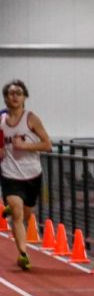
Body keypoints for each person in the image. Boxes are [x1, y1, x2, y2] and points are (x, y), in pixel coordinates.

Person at [1, 80, 51, 271]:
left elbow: (47, 145)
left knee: (26, 215)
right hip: (9, 174)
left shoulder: (31, 119)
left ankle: (11, 209)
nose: (15, 96)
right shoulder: (1, 121)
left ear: (24, 98)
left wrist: (25, 146)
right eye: (11, 93)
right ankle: (23, 253)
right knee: (17, 213)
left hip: (32, 174)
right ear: (6, 97)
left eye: (19, 93)